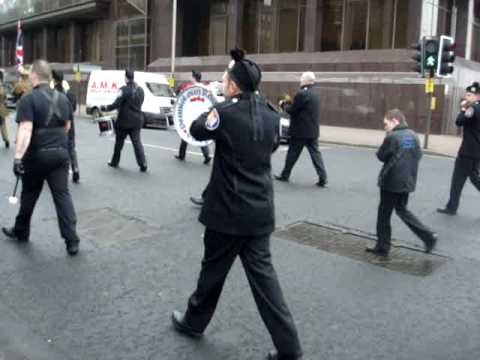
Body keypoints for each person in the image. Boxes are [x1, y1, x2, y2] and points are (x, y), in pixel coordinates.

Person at [171, 49, 303, 360]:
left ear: (233, 86)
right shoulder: (272, 115)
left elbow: (198, 129)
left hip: (228, 212)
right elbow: (271, 146)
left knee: (212, 272)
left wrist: (215, 104)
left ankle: (193, 322)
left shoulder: (226, 113)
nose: (223, 83)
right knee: (266, 284)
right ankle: (289, 347)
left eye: (226, 80)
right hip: (259, 212)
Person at [1, 59, 81, 256]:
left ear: (34, 75)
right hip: (60, 155)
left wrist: (18, 157)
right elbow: (67, 128)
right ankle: (72, 240)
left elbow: (26, 129)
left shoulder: (28, 99)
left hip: (37, 156)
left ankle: (21, 231)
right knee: (62, 196)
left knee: (29, 194)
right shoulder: (63, 99)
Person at [366, 109, 437, 256]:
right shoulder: (413, 135)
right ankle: (428, 236)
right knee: (402, 210)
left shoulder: (392, 137)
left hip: (391, 181)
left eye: (386, 124)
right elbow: (418, 155)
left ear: (395, 121)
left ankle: (382, 246)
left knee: (384, 214)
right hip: (407, 181)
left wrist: (387, 136)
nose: (384, 127)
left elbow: (381, 155)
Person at [275, 71, 327, 187]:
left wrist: (283, 104)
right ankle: (323, 177)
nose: (300, 81)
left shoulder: (302, 94)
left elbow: (292, 110)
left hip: (300, 131)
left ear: (306, 81)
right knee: (316, 154)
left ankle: (285, 175)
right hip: (313, 130)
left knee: (292, 154)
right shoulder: (316, 92)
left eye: (301, 79)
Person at [437, 82, 480, 215]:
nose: (466, 97)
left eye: (469, 95)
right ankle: (452, 206)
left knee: (458, 179)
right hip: (476, 152)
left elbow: (459, 121)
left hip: (468, 151)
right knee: (473, 178)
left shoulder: (473, 108)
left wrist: (462, 109)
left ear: (477, 96)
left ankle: (451, 207)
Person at [100, 70, 147, 172]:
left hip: (124, 122)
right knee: (137, 143)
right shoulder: (140, 90)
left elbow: (116, 104)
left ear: (126, 78)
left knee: (119, 143)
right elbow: (140, 103)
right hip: (137, 121)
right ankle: (143, 163)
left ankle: (114, 162)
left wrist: (105, 108)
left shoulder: (124, 90)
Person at [174, 70, 211, 165]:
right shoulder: (205, 88)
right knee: (200, 134)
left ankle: (182, 155)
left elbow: (182, 96)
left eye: (191, 76)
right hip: (201, 115)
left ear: (194, 77)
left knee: (185, 134)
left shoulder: (189, 88)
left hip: (191, 115)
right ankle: (206, 155)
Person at [52, 70, 80, 183]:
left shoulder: (52, 93)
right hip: (70, 125)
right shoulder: (70, 94)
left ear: (54, 80)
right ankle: (76, 170)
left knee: (56, 149)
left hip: (57, 127)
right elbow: (73, 109)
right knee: (71, 149)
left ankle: (59, 173)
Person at [0, 71, 10, 148]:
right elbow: (5, 98)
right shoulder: (2, 87)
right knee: (3, 125)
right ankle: (6, 139)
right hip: (1, 108)